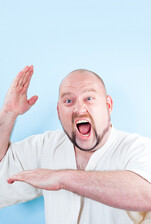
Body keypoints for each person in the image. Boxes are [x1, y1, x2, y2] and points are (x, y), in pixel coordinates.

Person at [0, 65, 151, 224]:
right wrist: (9, 112)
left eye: (89, 98)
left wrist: (61, 178)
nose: (79, 109)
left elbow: (146, 193)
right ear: (59, 112)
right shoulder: (46, 146)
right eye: (68, 101)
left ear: (108, 106)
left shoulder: (138, 148)